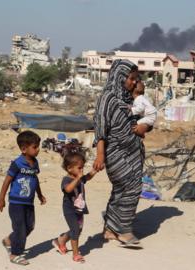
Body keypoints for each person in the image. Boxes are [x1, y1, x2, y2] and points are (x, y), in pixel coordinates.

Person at [93, 59, 150, 248]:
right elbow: (101, 129)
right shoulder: (107, 98)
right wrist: (100, 155)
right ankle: (124, 230)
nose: (134, 82)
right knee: (131, 188)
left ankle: (110, 229)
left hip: (133, 152)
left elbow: (146, 121)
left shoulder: (131, 99)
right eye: (131, 78)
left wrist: (144, 127)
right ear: (119, 77)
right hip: (116, 152)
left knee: (119, 190)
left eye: (136, 79)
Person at [0, 130, 46, 266]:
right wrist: (1, 199)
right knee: (21, 229)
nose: (38, 149)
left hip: (29, 203)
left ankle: (9, 240)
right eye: (35, 147)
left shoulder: (35, 163)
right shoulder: (17, 163)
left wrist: (40, 194)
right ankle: (15, 254)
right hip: (16, 202)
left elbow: (35, 179)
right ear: (24, 149)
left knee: (30, 226)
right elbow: (7, 181)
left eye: (38, 146)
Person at [52, 152, 97, 263]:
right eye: (79, 168)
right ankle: (76, 254)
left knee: (78, 229)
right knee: (75, 230)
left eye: (83, 167)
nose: (82, 170)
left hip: (79, 208)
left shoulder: (80, 177)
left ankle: (61, 240)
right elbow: (68, 189)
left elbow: (87, 177)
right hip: (70, 209)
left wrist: (95, 170)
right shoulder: (66, 179)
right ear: (69, 168)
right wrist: (77, 179)